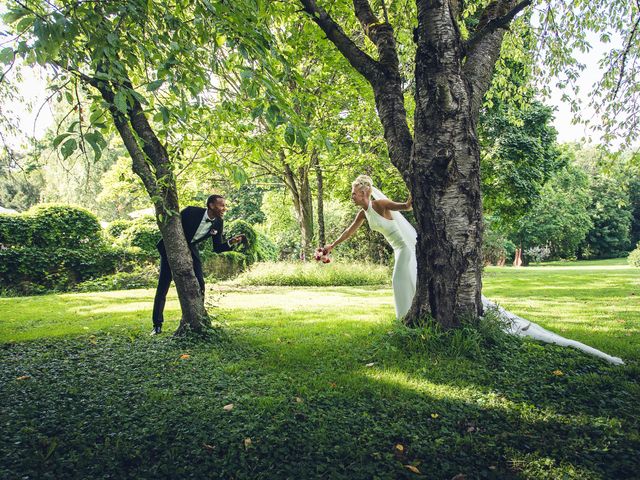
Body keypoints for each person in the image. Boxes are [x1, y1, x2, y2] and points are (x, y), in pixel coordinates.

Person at [323, 175, 417, 319]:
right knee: (406, 280)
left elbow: (406, 206)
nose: (352, 196)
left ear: (363, 193)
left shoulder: (381, 204)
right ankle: (410, 316)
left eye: (354, 193)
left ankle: (403, 318)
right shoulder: (363, 213)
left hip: (405, 247)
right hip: (397, 249)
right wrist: (332, 245)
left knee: (398, 280)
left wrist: (413, 191)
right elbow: (348, 231)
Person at [151, 194, 245, 334]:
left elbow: (217, 247)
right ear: (211, 205)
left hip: (191, 249)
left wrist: (231, 242)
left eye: (225, 205)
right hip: (170, 249)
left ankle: (199, 318)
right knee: (163, 284)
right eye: (222, 205)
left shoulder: (218, 222)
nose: (224, 208)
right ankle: (157, 325)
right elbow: (170, 227)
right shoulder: (190, 211)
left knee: (200, 282)